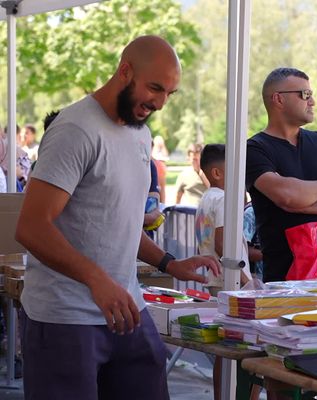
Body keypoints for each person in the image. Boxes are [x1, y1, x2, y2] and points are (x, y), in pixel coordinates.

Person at [14, 35, 220, 400]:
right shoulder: (75, 129)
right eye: (154, 88)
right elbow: (32, 227)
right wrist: (97, 279)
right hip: (65, 317)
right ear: (125, 72)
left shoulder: (141, 133)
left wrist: (169, 263)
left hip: (126, 309)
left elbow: (116, 222)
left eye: (169, 94)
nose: (158, 103)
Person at [246, 67, 317, 282]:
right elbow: (287, 195)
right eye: (305, 95)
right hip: (283, 278)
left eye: (311, 95)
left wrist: (298, 204)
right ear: (278, 99)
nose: (312, 101)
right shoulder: (254, 149)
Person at [195, 143, 251, 294]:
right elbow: (222, 244)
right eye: (235, 169)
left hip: (216, 278)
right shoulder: (223, 199)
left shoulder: (206, 198)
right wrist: (245, 280)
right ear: (217, 173)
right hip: (231, 280)